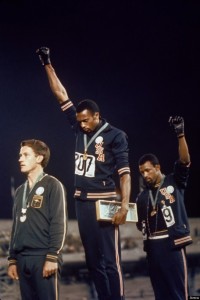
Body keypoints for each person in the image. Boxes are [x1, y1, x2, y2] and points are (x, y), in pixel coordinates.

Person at [36, 47, 131, 300]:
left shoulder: (116, 136)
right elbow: (61, 94)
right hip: (82, 201)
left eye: (86, 121)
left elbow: (125, 174)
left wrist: (123, 205)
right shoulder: (78, 127)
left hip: (105, 201)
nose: (82, 125)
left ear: (97, 116)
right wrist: (47, 63)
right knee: (92, 262)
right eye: (79, 121)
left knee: (111, 261)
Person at [136, 116, 193, 300]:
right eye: (142, 172)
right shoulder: (142, 196)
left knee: (178, 294)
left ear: (157, 167)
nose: (145, 175)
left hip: (172, 244)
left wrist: (180, 134)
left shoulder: (173, 181)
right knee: (160, 294)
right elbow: (138, 224)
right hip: (152, 248)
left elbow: (184, 161)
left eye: (148, 170)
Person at [7, 139, 67, 300]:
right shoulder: (20, 191)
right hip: (22, 258)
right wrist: (12, 259)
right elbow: (16, 227)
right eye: (20, 155)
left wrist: (53, 256)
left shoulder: (53, 185)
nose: (20, 159)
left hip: (43, 257)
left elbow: (58, 223)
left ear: (39, 158)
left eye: (26, 155)